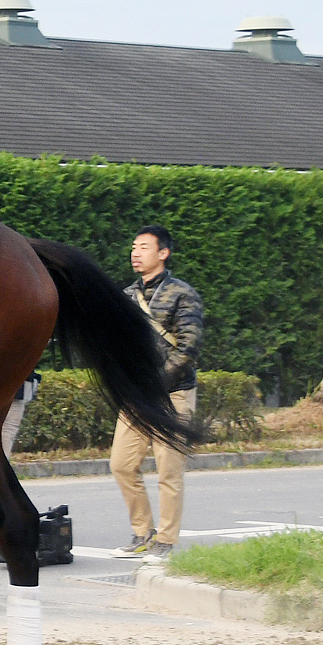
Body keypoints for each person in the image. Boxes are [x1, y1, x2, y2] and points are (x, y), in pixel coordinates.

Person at [109, 225, 203, 563]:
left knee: (168, 470)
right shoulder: (125, 296)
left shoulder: (183, 294)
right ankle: (142, 533)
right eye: (134, 247)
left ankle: (166, 540)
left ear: (163, 253)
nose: (135, 253)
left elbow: (188, 348)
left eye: (144, 247)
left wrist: (156, 384)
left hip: (173, 393)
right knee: (120, 464)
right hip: (136, 396)